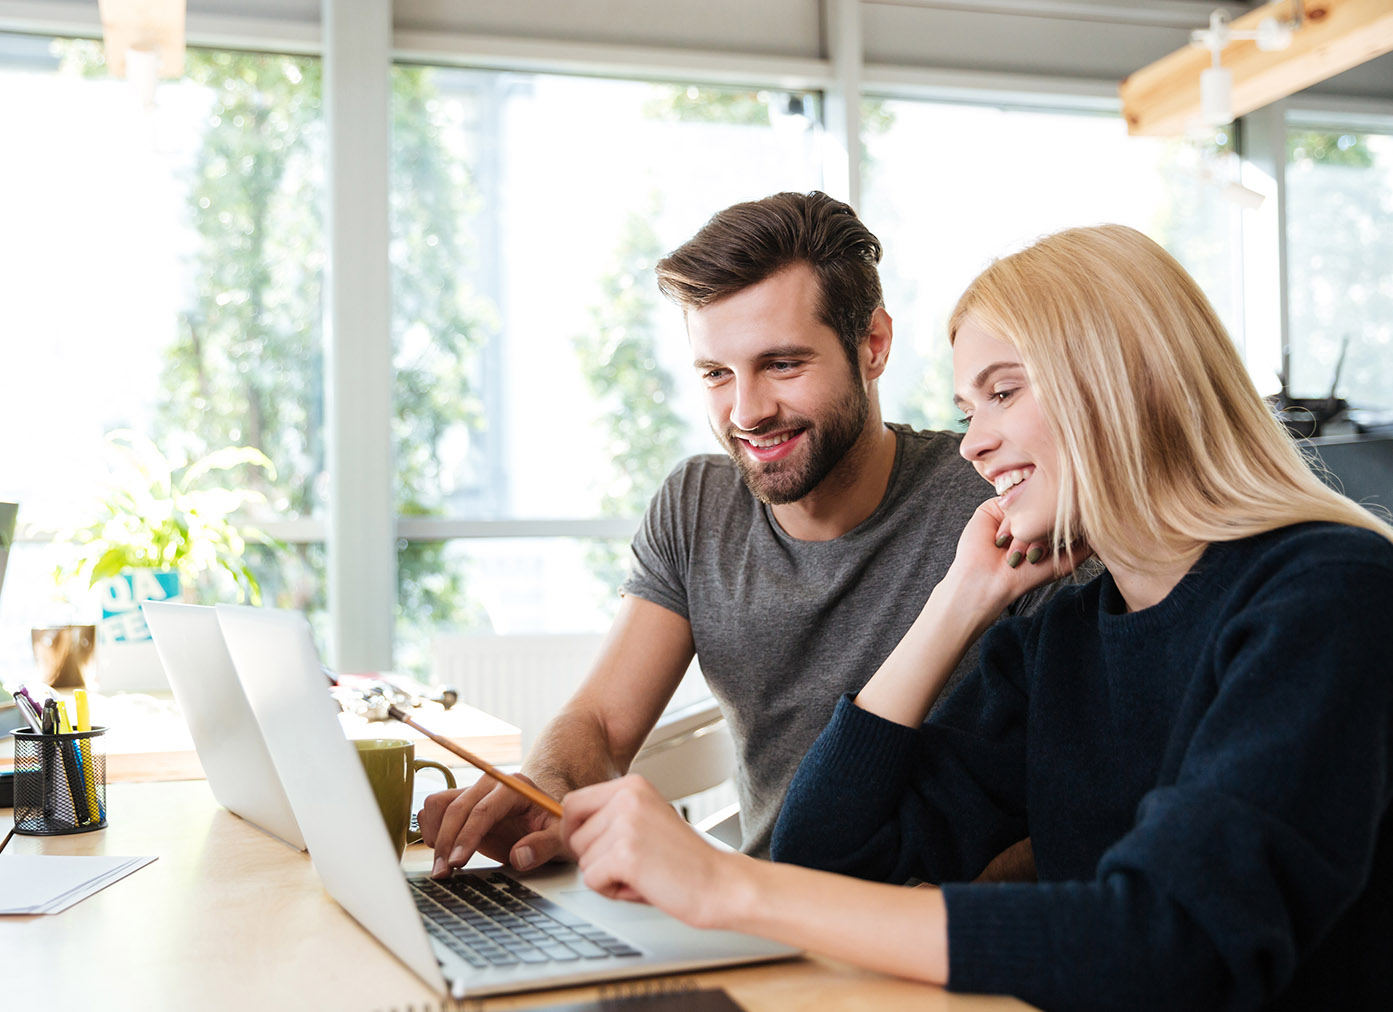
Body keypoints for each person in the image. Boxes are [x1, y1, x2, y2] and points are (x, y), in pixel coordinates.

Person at [558, 224, 1393, 1011]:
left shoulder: (1326, 593)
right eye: (967, 410)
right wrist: (956, 601)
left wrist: (727, 884)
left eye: (1002, 393)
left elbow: (1174, 941)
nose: (972, 443)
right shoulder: (1061, 636)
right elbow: (826, 855)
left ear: (1126, 380)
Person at [420, 191, 1044, 875]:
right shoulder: (698, 504)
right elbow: (601, 723)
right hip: (747, 908)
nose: (746, 413)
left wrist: (935, 917)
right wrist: (546, 785)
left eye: (782, 365)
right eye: (717, 374)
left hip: (931, 922)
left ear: (872, 344)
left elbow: (1074, 811)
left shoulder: (1001, 501)